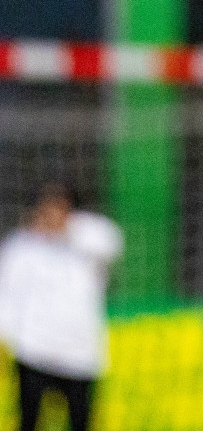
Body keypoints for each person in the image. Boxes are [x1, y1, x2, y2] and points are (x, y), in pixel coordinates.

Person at [0, 183, 124, 431]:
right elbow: (6, 295)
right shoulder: (21, 245)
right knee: (29, 421)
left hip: (80, 356)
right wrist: (6, 338)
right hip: (33, 351)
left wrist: (69, 227)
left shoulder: (88, 238)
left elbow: (113, 242)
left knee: (81, 422)